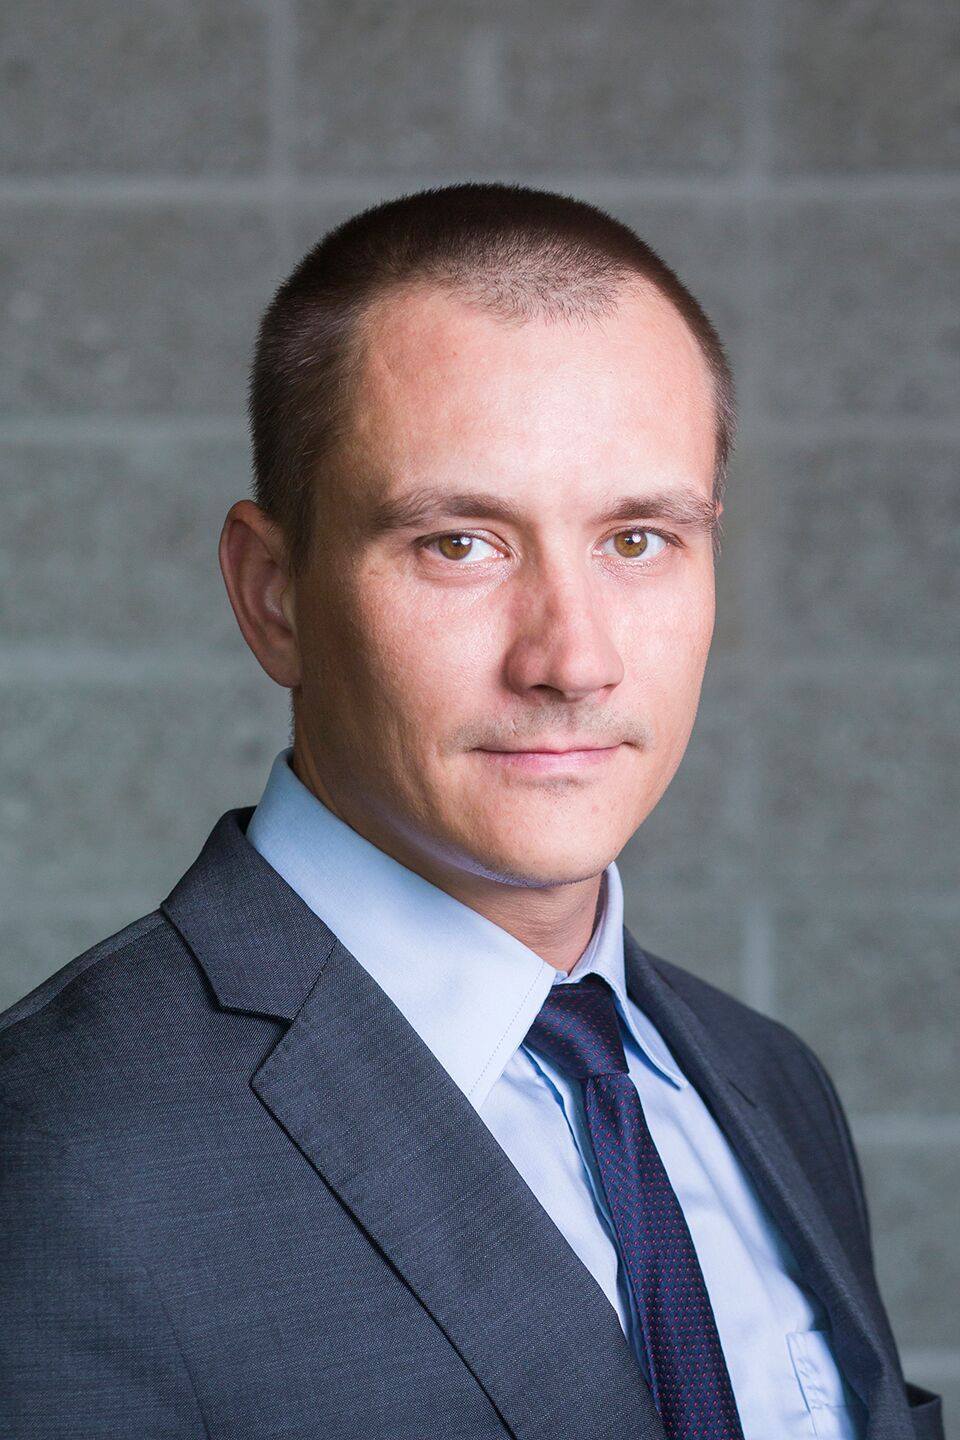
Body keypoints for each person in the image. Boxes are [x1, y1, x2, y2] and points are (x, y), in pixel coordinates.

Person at [0, 184, 943, 1440]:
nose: (572, 660)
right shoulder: (54, 1156)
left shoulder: (770, 1086)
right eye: (461, 544)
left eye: (639, 539)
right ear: (273, 595)